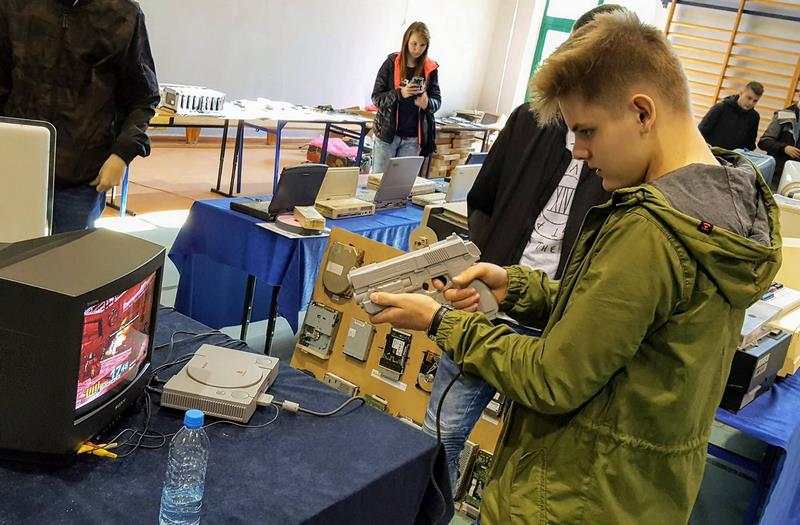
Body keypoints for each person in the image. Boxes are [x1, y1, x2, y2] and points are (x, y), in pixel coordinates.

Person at [368, 11, 780, 524]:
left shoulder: (652, 229)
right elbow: (609, 322)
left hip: (575, 496)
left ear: (642, 112)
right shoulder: (718, 201)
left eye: (587, 131)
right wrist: (517, 285)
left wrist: (439, 321)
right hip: (630, 490)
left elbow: (553, 377)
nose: (579, 152)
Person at [421, 4, 617, 494]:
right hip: (488, 305)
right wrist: (485, 263)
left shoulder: (623, 149)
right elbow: (483, 200)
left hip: (560, 323)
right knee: (439, 435)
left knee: (530, 462)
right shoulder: (530, 121)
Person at [0, 0, 159, 233]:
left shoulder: (123, 14)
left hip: (83, 177)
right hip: (15, 169)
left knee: (70, 254)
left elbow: (143, 97)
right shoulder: (14, 6)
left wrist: (122, 154)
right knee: (10, 251)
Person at [370, 21, 441, 174]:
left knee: (401, 184)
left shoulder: (430, 68)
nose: (417, 49)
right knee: (378, 182)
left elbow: (437, 100)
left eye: (422, 45)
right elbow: (376, 98)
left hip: (413, 139)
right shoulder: (391, 63)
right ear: (406, 41)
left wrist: (428, 103)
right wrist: (400, 93)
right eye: (414, 44)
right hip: (387, 136)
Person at [698, 81, 763, 151]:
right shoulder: (721, 107)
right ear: (741, 93)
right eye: (749, 98)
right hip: (711, 153)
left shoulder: (754, 117)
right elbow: (701, 132)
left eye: (755, 101)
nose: (751, 103)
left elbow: (750, 145)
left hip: (733, 156)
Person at [758, 100, 800, 183]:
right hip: (775, 175)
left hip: (796, 178)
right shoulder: (783, 115)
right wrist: (784, 148)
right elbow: (764, 142)